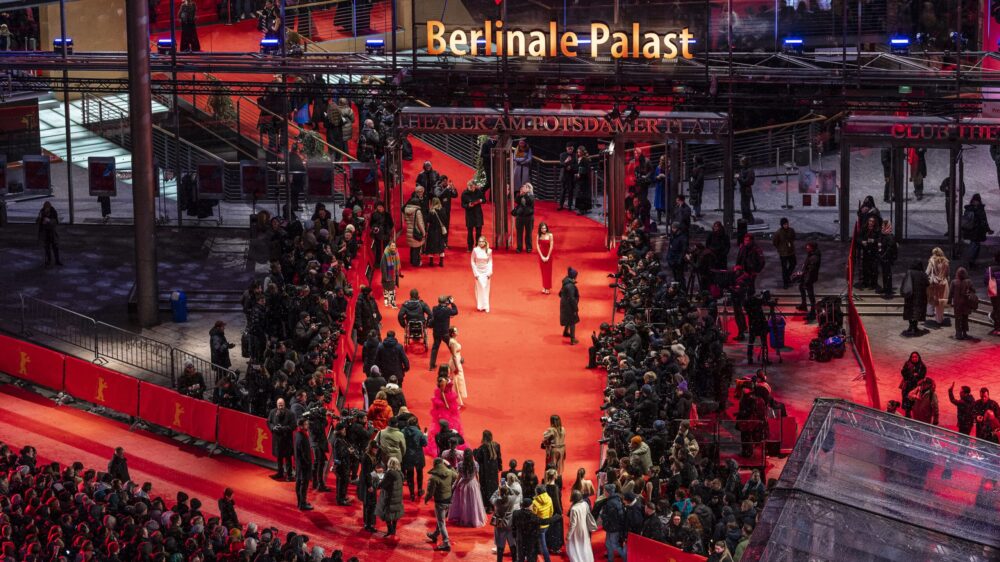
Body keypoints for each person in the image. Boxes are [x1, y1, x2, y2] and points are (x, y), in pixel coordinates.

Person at [425, 457, 458, 551]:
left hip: (440, 501)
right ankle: (435, 534)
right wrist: (450, 466)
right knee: (441, 520)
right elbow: (456, 475)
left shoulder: (433, 478)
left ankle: (446, 543)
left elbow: (430, 492)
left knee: (441, 522)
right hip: (448, 500)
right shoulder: (450, 472)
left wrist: (426, 499)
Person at [426, 376, 465, 456]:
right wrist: (446, 404)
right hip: (446, 405)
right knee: (448, 420)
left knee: (451, 420)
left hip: (449, 403)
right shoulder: (443, 384)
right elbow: (442, 393)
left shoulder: (446, 380)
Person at [449, 449, 487, 527]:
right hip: (473, 484)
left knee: (464, 503)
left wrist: (455, 484)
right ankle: (474, 519)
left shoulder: (460, 464)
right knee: (474, 502)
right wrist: (478, 483)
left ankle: (464, 519)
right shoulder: (475, 463)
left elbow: (459, 476)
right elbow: (477, 475)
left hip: (463, 485)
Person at [593, 484, 627, 562]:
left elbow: (611, 518)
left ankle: (626, 558)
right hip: (613, 527)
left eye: (604, 490)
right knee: (608, 543)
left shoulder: (610, 503)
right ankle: (610, 559)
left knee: (614, 545)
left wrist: (602, 515)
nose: (603, 492)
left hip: (613, 528)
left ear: (608, 492)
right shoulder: (616, 499)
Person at [961, 193, 993, 269]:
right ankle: (970, 262)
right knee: (974, 246)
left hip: (976, 231)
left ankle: (971, 262)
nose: (976, 202)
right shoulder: (976, 209)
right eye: (975, 201)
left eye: (977, 201)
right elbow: (983, 221)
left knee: (975, 246)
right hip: (975, 231)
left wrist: (988, 229)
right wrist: (987, 229)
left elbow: (984, 221)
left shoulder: (970, 209)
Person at [268, 397, 296, 480]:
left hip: (287, 439)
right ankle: (280, 472)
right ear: (277, 405)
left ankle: (289, 474)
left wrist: (283, 428)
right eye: (279, 405)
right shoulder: (272, 412)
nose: (280, 407)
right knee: (279, 457)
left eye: (282, 405)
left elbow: (293, 426)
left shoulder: (290, 414)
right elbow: (269, 422)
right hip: (277, 439)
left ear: (284, 404)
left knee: (288, 458)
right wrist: (273, 428)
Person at [475, 430, 503, 511]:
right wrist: (499, 467)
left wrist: (475, 452)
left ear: (483, 437)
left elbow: (478, 459)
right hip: (493, 471)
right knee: (494, 487)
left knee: (485, 488)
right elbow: (499, 458)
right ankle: (494, 504)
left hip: (485, 472)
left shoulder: (481, 448)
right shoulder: (497, 445)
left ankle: (488, 506)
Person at [377, 457, 405, 538]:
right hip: (397, 497)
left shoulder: (389, 474)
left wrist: (379, 480)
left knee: (388, 514)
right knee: (395, 513)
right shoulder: (400, 473)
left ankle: (390, 530)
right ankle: (393, 529)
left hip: (389, 497)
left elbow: (382, 485)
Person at [490, 481, 518, 562]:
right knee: (512, 544)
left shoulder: (497, 501)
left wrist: (498, 489)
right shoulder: (511, 499)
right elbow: (516, 493)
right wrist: (507, 487)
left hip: (500, 525)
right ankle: (515, 560)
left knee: (500, 546)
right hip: (510, 524)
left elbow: (491, 498)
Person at [566, 490, 596, 562]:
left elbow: (573, 524)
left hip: (576, 531)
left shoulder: (574, 509)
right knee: (585, 546)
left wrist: (568, 535)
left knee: (575, 547)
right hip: (585, 529)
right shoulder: (585, 504)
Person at [901, 260, 929, 336]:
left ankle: (911, 326)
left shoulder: (909, 272)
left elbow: (904, 282)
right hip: (920, 296)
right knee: (917, 311)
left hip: (910, 295)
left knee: (910, 311)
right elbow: (927, 283)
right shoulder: (922, 274)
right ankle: (914, 327)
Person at [949, 267, 975, 340]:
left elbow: (950, 293)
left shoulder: (953, 282)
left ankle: (958, 334)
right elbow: (973, 291)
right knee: (965, 318)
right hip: (965, 303)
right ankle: (965, 333)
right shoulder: (968, 282)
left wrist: (949, 302)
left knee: (958, 319)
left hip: (957, 303)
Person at [926, 247, 951, 327]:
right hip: (943, 283)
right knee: (941, 302)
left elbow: (927, 272)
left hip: (935, 283)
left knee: (934, 299)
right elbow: (948, 274)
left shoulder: (932, 261)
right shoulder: (946, 262)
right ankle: (939, 318)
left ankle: (932, 314)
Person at [797, 242, 820, 322]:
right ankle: (804, 305)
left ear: (812, 248)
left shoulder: (814, 257)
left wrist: (807, 280)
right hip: (806, 276)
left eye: (808, 247)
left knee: (811, 295)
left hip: (809, 278)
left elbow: (811, 271)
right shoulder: (811, 254)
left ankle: (813, 313)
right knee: (801, 287)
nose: (806, 248)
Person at [403, 188, 426, 267]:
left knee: (412, 247)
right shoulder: (417, 211)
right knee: (417, 248)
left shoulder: (406, 209)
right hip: (416, 231)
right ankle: (416, 262)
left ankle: (412, 260)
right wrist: (423, 233)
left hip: (409, 231)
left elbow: (405, 220)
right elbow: (420, 224)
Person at [294, 418, 314, 510]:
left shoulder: (299, 434)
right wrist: (308, 463)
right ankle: (302, 504)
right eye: (306, 424)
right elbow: (304, 454)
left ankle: (300, 502)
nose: (308, 426)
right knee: (303, 484)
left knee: (299, 483)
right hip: (303, 465)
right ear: (301, 426)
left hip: (300, 464)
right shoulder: (301, 437)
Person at [899, 352, 926, 418]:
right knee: (907, 400)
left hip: (916, 387)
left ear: (918, 357)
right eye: (913, 357)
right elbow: (903, 372)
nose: (914, 358)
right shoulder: (907, 364)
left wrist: (917, 375)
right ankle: (907, 414)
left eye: (916, 357)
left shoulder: (922, 366)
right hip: (907, 386)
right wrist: (912, 375)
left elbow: (922, 375)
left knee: (915, 402)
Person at [462, 180, 487, 252]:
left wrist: (481, 200)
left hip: (478, 214)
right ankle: (470, 247)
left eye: (473, 187)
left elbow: (484, 200)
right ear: (468, 186)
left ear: (475, 186)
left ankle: (478, 246)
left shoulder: (478, 192)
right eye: (470, 187)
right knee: (470, 232)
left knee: (478, 232)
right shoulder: (464, 193)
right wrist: (468, 205)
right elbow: (463, 204)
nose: (472, 189)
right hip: (469, 215)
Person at [773, 218, 796, 289]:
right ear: (782, 225)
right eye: (785, 224)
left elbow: (793, 237)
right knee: (784, 268)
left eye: (787, 224)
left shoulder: (791, 230)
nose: (786, 225)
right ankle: (785, 282)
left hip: (791, 251)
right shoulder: (778, 233)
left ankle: (787, 277)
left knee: (793, 264)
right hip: (783, 253)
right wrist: (780, 248)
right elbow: (775, 242)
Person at [472, 236, 494, 312]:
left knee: (486, 288)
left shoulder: (489, 251)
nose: (481, 243)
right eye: (479, 241)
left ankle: (486, 306)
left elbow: (490, 262)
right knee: (480, 288)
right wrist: (475, 273)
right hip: (478, 271)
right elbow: (472, 261)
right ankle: (480, 306)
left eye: (482, 241)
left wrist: (490, 272)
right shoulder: (475, 250)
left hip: (486, 272)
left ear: (485, 242)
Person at [447, 326, 468, 406]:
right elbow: (454, 356)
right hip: (455, 363)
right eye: (456, 331)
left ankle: (457, 400)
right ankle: (455, 401)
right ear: (452, 333)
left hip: (457, 361)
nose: (457, 331)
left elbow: (457, 353)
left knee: (459, 381)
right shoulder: (452, 342)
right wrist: (456, 367)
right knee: (456, 382)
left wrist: (460, 358)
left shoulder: (453, 340)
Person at [37, 201, 62, 267]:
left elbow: (56, 222)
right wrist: (40, 219)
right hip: (45, 232)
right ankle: (49, 260)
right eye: (45, 207)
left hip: (52, 232)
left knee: (55, 247)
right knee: (47, 247)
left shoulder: (53, 212)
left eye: (47, 207)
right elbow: (38, 222)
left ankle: (57, 260)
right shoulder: (41, 212)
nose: (46, 209)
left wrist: (49, 221)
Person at [858, 216, 881, 290]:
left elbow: (880, 239)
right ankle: (865, 282)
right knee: (865, 267)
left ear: (874, 223)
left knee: (874, 268)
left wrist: (874, 241)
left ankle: (873, 284)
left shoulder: (877, 230)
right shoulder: (864, 229)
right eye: (870, 221)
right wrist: (862, 242)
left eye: (872, 222)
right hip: (866, 250)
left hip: (874, 251)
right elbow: (858, 238)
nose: (871, 223)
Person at [877, 220, 899, 298]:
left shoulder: (890, 237)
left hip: (887, 259)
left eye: (883, 225)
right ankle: (885, 288)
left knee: (887, 274)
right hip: (883, 258)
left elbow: (889, 249)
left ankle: (888, 290)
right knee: (884, 274)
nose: (882, 227)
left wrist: (883, 256)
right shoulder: (883, 235)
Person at [513, 183, 536, 253]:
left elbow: (530, 201)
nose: (523, 189)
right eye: (522, 187)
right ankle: (519, 247)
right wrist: (520, 195)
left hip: (529, 217)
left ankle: (529, 247)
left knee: (528, 233)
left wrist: (525, 194)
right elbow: (516, 201)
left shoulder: (531, 196)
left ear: (529, 189)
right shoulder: (520, 195)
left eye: (525, 187)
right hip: (520, 217)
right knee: (519, 233)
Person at [560, 267, 581, 345]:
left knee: (568, 319)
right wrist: (575, 308)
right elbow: (572, 298)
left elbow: (560, 293)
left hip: (565, 304)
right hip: (569, 306)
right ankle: (573, 339)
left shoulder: (565, 282)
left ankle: (565, 332)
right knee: (572, 321)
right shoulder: (571, 286)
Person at [424, 197, 447, 267]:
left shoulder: (432, 211)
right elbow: (445, 219)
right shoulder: (443, 210)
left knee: (431, 245)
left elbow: (427, 220)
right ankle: (441, 262)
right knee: (441, 246)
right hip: (440, 230)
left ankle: (431, 262)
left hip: (432, 230)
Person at [380, 242, 401, 308]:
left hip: (394, 275)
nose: (393, 247)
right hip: (387, 275)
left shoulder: (396, 253)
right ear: (389, 246)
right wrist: (385, 276)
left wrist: (398, 273)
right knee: (386, 289)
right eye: (392, 246)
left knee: (392, 289)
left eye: (394, 246)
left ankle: (392, 303)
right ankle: (387, 301)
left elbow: (398, 264)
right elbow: (382, 266)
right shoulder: (385, 255)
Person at [537, 222, 555, 294]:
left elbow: (551, 246)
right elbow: (537, 246)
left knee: (548, 272)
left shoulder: (550, 235)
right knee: (543, 272)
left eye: (544, 228)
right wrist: (541, 256)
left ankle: (548, 287)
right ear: (540, 229)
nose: (543, 229)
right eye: (542, 228)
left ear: (546, 228)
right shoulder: (539, 235)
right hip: (541, 255)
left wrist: (547, 256)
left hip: (548, 255)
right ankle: (544, 287)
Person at [559, 142, 577, 211]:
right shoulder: (562, 155)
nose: (570, 150)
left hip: (571, 175)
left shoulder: (575, 155)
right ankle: (561, 205)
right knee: (563, 191)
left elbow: (576, 165)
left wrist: (571, 167)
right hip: (564, 175)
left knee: (570, 191)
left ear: (573, 148)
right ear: (566, 148)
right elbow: (561, 164)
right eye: (569, 149)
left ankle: (570, 206)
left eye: (571, 149)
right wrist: (566, 161)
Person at [736, 156, 755, 223]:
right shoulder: (742, 170)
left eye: (742, 162)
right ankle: (745, 220)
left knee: (746, 206)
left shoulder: (750, 171)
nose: (741, 163)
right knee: (743, 206)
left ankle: (750, 220)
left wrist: (739, 178)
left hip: (747, 190)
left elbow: (747, 181)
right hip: (743, 190)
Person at [575, 146, 593, 214]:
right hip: (579, 179)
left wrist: (580, 174)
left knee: (583, 194)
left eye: (579, 152)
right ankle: (581, 208)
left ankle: (583, 209)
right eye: (578, 152)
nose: (578, 153)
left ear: (582, 152)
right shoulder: (578, 158)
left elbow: (587, 169)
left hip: (584, 179)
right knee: (579, 193)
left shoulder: (586, 159)